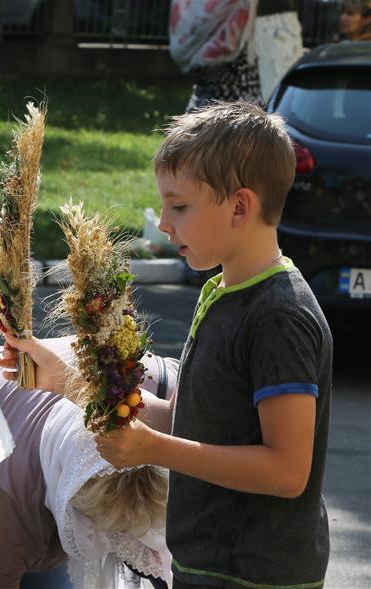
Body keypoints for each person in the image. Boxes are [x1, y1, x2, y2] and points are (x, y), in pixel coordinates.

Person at [19, 101, 331, 588]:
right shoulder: (222, 293)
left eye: (179, 206)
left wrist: (156, 449)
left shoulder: (279, 315)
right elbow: (190, 421)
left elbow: (287, 470)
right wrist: (72, 384)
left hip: (257, 575)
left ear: (240, 207)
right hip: (204, 562)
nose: (163, 223)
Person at [0, 337, 175, 589]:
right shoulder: (7, 504)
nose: (112, 541)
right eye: (110, 532)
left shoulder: (172, 394)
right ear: (66, 496)